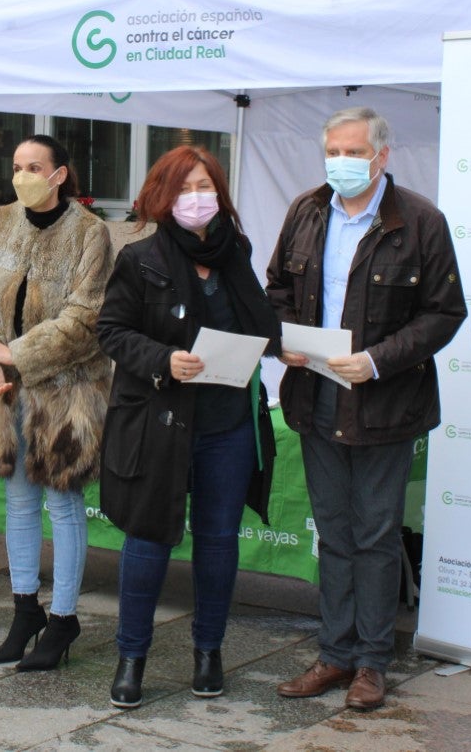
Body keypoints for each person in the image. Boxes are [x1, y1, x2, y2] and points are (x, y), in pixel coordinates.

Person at [267, 106, 466, 711]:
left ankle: (373, 663)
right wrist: (285, 341)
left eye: (353, 152)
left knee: (376, 534)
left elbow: (443, 313)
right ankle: (334, 653)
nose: (341, 163)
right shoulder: (306, 210)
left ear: (382, 155)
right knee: (333, 532)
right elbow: (275, 288)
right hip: (314, 391)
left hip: (384, 400)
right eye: (333, 151)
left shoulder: (421, 221)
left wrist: (378, 360)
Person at [97, 146, 282, 708]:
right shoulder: (141, 258)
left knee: (220, 541)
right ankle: (132, 657)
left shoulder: (236, 252)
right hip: (161, 420)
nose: (196, 198)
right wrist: (161, 359)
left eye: (205, 186)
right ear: (162, 196)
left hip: (227, 423)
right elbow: (111, 330)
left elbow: (258, 323)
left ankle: (209, 650)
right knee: (149, 537)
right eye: (184, 189)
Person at [0, 133, 111, 671]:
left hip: (67, 391)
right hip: (5, 386)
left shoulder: (90, 233)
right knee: (19, 503)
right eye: (17, 165)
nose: (23, 174)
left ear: (59, 174)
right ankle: (25, 608)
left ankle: (65, 616)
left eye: (35, 166)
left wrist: (14, 354)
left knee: (63, 503)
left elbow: (83, 318)